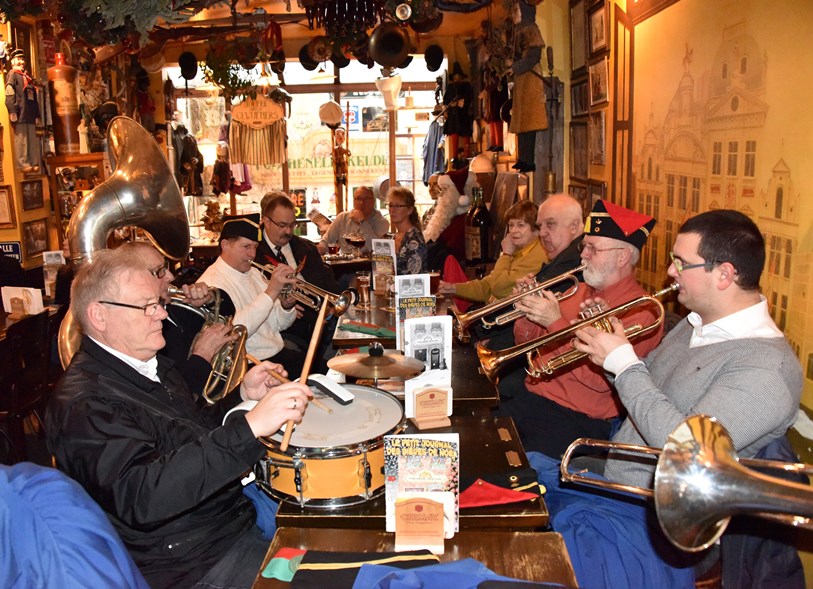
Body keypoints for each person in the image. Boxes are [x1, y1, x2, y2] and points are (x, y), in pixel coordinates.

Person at [46, 247, 312, 588]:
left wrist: (243, 396)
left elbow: (189, 431)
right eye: (147, 306)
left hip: (228, 521)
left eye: (159, 303)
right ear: (99, 316)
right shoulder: (83, 404)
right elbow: (145, 495)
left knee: (339, 542)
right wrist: (249, 427)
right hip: (193, 562)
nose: (161, 314)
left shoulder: (149, 364)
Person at [573, 209, 802, 487]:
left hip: (648, 507)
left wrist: (624, 365)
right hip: (617, 473)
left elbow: (685, 451)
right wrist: (608, 350)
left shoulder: (766, 371)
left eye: (681, 263)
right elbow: (649, 380)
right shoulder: (696, 322)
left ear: (724, 275)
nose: (670, 272)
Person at [498, 199, 663, 458]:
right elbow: (529, 344)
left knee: (497, 465)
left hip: (576, 421)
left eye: (592, 249)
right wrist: (528, 312)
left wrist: (555, 322)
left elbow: (599, 380)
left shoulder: (642, 311)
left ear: (622, 257)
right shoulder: (579, 289)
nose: (583, 255)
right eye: (584, 246)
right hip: (534, 399)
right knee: (473, 437)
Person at [119, 241, 237, 397]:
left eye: (165, 267)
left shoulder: (176, 307)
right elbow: (174, 398)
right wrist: (203, 355)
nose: (170, 276)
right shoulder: (139, 336)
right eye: (159, 271)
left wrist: (209, 299)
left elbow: (228, 311)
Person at [197, 214, 304, 374]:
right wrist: (272, 291)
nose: (252, 254)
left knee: (329, 370)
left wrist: (286, 306)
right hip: (248, 364)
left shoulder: (253, 272)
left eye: (255, 247)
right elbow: (235, 332)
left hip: (276, 353)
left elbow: (279, 325)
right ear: (225, 245)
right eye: (246, 247)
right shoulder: (211, 284)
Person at [256, 192, 340, 370]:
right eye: (282, 225)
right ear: (266, 221)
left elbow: (326, 281)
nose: (288, 231)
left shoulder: (305, 247)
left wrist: (328, 309)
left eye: (292, 225)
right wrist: (280, 303)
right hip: (282, 330)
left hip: (316, 322)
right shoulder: (253, 252)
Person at [439, 199, 544, 302]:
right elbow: (488, 284)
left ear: (536, 230)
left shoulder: (537, 255)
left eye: (520, 225)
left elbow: (498, 288)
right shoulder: (518, 249)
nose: (513, 231)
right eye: (511, 225)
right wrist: (453, 288)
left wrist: (505, 254)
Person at [508, 0, 548, 173]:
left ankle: (528, 160)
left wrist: (515, 66)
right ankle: (523, 158)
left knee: (529, 121)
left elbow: (533, 57)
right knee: (522, 121)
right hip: (522, 81)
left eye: (516, 10)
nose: (513, 14)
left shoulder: (531, 30)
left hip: (530, 81)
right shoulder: (520, 32)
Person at [317, 185, 389, 255]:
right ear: (354, 201)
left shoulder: (382, 222)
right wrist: (318, 250)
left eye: (366, 198)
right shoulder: (342, 218)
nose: (362, 203)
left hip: (368, 264)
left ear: (373, 201)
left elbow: (375, 249)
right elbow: (326, 241)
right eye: (358, 199)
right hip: (344, 263)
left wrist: (362, 222)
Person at [5, 49, 41, 173]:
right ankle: (22, 162)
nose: (21, 62)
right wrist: (12, 110)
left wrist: (37, 114)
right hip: (20, 113)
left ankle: (33, 161)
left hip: (30, 113)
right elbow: (9, 93)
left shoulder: (28, 78)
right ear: (13, 61)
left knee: (31, 139)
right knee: (21, 139)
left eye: (22, 59)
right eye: (19, 59)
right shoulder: (12, 75)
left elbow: (33, 98)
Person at [387, 186, 427, 275]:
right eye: (391, 205)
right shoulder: (392, 237)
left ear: (410, 210)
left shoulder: (415, 239)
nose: (392, 210)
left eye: (398, 206)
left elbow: (415, 275)